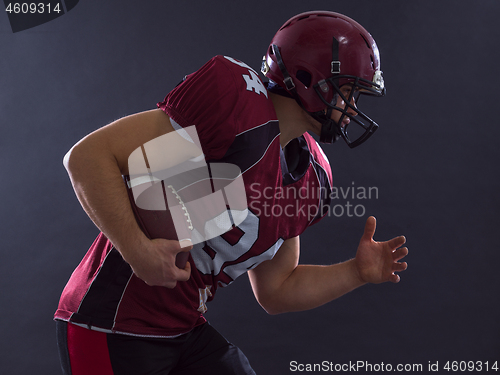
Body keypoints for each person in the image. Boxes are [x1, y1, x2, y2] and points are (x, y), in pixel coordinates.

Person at [54, 10, 408, 375]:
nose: (352, 107)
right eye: (348, 90)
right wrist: (136, 249)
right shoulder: (237, 109)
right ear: (308, 76)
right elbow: (87, 157)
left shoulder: (311, 177)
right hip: (112, 320)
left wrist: (356, 273)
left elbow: (276, 290)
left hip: (182, 327)